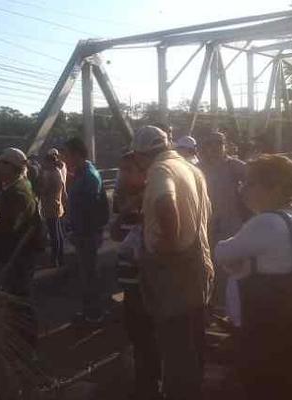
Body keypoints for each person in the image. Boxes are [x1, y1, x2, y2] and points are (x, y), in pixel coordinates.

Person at [214, 154, 292, 399]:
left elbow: (222, 252)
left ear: (273, 188)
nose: (243, 189)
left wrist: (237, 266)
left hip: (261, 331)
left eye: (250, 183)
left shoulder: (265, 223)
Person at [132, 125, 213, 400]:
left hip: (174, 269)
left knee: (174, 344)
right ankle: (193, 389)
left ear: (144, 155)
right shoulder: (191, 168)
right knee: (192, 339)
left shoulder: (160, 170)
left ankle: (179, 393)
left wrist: (165, 249)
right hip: (198, 263)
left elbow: (167, 205)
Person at [0, 147, 42, 348]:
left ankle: (25, 340)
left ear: (11, 167)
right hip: (23, 251)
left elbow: (8, 226)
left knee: (18, 297)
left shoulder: (16, 192)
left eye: (1, 163)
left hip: (19, 255)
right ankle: (24, 337)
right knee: (19, 296)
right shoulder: (22, 185)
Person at [109, 153, 161, 399]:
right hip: (129, 279)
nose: (124, 175)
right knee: (136, 333)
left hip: (149, 279)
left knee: (147, 334)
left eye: (130, 170)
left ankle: (151, 385)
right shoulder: (124, 199)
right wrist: (124, 212)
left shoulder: (156, 196)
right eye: (123, 170)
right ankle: (145, 382)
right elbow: (116, 234)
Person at [198, 131, 247, 308]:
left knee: (230, 265)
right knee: (208, 263)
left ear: (224, 145)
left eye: (218, 143)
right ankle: (213, 302)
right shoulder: (199, 167)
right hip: (206, 225)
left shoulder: (234, 166)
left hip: (230, 223)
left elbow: (255, 180)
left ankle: (229, 306)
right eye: (209, 143)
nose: (214, 147)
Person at [63, 137, 109, 323]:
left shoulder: (89, 177)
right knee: (86, 274)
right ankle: (90, 311)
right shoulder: (83, 174)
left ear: (76, 154)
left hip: (86, 235)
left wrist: (78, 232)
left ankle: (94, 314)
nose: (64, 158)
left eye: (66, 154)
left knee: (89, 274)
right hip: (84, 234)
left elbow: (90, 211)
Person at [40, 152, 66, 268]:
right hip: (57, 204)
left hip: (50, 206)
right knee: (58, 232)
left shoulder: (50, 174)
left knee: (54, 233)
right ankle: (60, 257)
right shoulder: (58, 172)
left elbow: (44, 190)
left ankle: (55, 259)